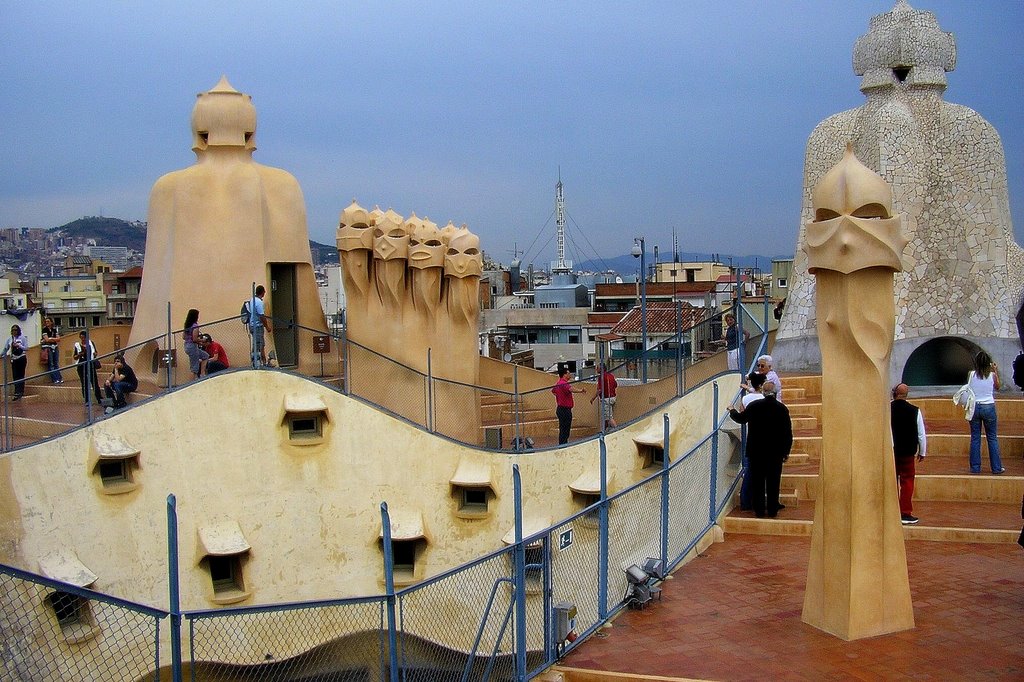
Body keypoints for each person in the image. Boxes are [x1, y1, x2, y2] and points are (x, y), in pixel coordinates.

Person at [727, 381, 793, 518]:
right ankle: (773, 508)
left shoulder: (754, 406)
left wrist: (732, 410)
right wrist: (786, 451)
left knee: (758, 481)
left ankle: (759, 510)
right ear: (775, 393)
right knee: (773, 481)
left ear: (763, 392)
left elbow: (741, 419)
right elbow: (787, 432)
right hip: (775, 452)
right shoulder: (782, 408)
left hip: (756, 451)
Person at [890, 383, 927, 524]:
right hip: (907, 452)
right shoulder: (914, 411)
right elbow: (921, 434)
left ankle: (890, 511)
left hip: (892, 451)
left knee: (891, 481)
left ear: (894, 393)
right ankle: (905, 512)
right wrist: (922, 451)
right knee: (908, 481)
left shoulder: (887, 409)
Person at [967, 350, 1004, 474]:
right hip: (988, 406)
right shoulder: (992, 375)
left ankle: (975, 467)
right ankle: (997, 467)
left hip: (975, 407)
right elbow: (998, 387)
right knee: (992, 438)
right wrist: (995, 370)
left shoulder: (971, 374)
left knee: (975, 438)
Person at [734, 371, 767, 511]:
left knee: (750, 471)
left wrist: (732, 411)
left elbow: (742, 414)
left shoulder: (747, 399)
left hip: (751, 437)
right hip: (765, 439)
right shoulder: (765, 398)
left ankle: (746, 501)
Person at [551, 367, 585, 445]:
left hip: (561, 408)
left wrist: (560, 396)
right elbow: (571, 389)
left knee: (563, 428)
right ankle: (563, 444)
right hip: (564, 409)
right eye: (568, 373)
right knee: (565, 429)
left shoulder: (558, 383)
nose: (570, 375)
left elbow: (553, 391)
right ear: (564, 374)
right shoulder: (563, 383)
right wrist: (580, 391)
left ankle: (563, 443)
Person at [73, 331, 103, 404]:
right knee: (84, 383)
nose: (82, 339)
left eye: (84, 337)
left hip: (90, 365)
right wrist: (80, 354)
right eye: (81, 337)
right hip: (81, 366)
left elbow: (95, 352)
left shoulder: (90, 344)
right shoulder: (78, 345)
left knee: (94, 382)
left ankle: (99, 398)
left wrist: (94, 354)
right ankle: (87, 400)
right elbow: (75, 357)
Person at [1, 325, 29, 401]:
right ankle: (16, 391)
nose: (14, 332)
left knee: (21, 375)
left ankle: (21, 391)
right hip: (14, 358)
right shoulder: (10, 339)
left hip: (21, 358)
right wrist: (1, 354)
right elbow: (6, 348)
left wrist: (19, 345)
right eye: (13, 330)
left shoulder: (22, 338)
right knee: (15, 375)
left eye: (16, 330)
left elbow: (26, 348)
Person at [248, 285, 273, 367]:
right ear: (262, 292)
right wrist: (267, 327)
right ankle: (258, 363)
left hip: (252, 325)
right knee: (259, 345)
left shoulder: (252, 300)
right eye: (264, 292)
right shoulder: (259, 302)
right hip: (257, 326)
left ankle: (263, 361)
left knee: (258, 344)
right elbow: (261, 316)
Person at [589, 363, 618, 429]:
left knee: (609, 418)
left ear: (601, 369)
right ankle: (604, 431)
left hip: (606, 399)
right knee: (606, 416)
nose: (596, 369)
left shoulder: (601, 377)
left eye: (598, 368)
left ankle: (617, 430)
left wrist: (593, 398)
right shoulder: (611, 375)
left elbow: (600, 390)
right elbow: (615, 385)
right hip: (613, 397)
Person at [182, 309, 208, 379]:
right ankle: (192, 382)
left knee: (205, 356)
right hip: (192, 346)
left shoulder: (187, 326)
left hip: (187, 345)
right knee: (194, 368)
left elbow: (183, 337)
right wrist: (202, 340)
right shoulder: (195, 326)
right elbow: (194, 339)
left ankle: (202, 374)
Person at [40, 317, 63, 384]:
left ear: (51, 322)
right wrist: (52, 339)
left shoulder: (54, 329)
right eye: (46, 321)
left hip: (55, 347)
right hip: (48, 348)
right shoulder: (44, 330)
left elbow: (58, 339)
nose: (47, 323)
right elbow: (46, 339)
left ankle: (59, 378)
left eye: (48, 321)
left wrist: (51, 338)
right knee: (51, 364)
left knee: (56, 363)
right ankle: (55, 379)